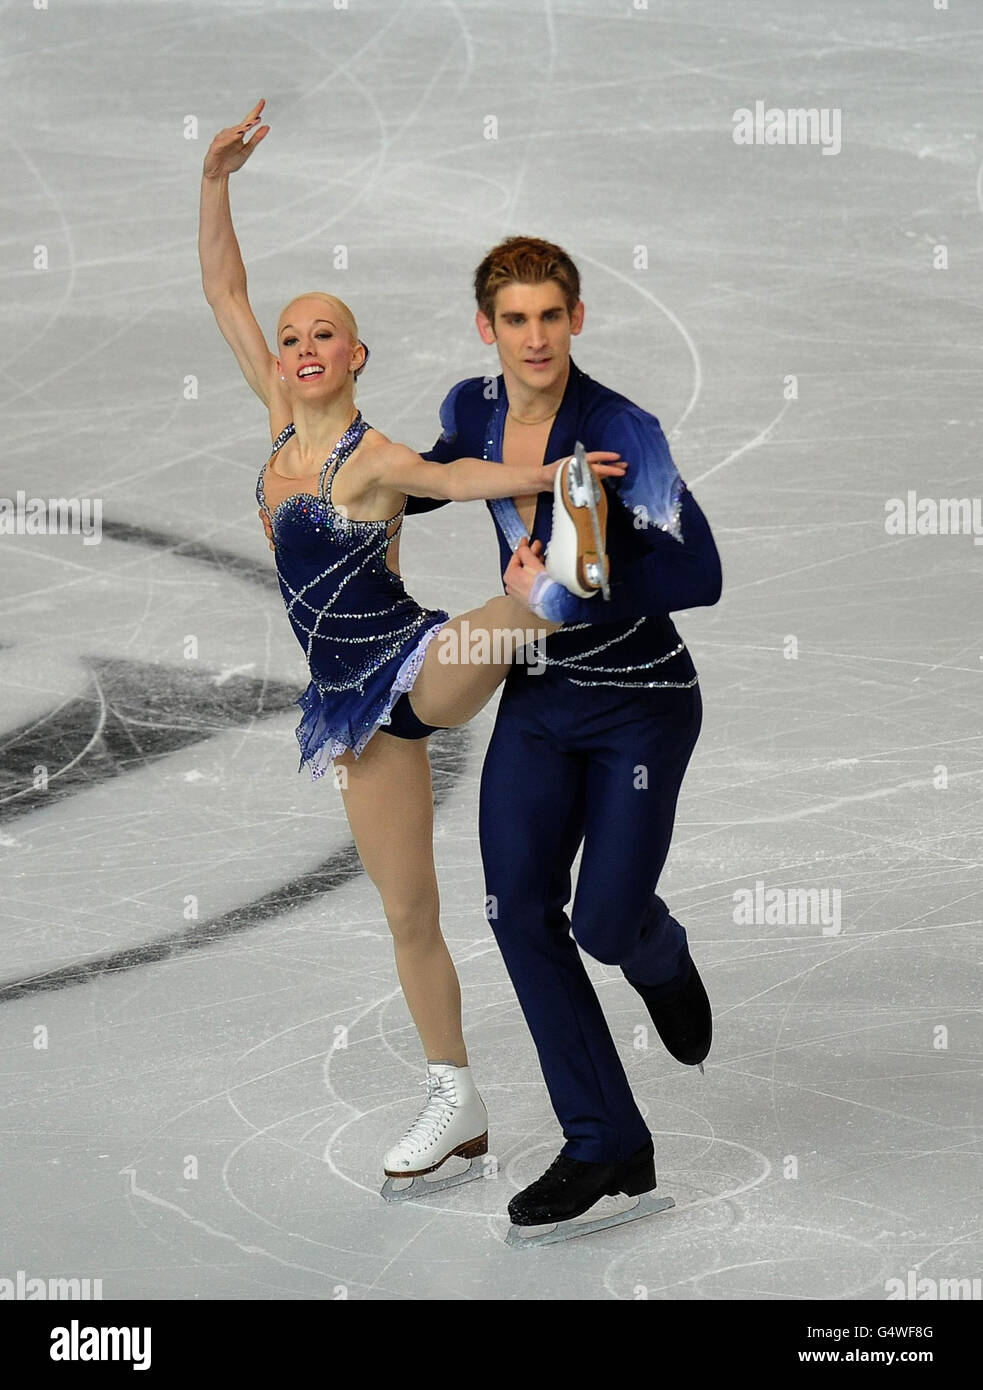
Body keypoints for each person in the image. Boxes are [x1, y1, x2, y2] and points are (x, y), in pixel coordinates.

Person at [197, 106, 625, 1200]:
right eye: (291, 337)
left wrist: (542, 481)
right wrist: (215, 179)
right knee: (407, 914)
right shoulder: (274, 427)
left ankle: (562, 572)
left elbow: (455, 479)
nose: (297, 347)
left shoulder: (368, 453)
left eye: (320, 334)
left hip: (410, 658)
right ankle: (456, 1099)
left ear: (354, 356)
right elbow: (224, 293)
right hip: (345, 710)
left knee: (504, 617)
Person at [407, 235, 723, 1242]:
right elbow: (433, 477)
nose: (534, 336)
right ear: (487, 327)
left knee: (597, 926)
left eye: (551, 315)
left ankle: (653, 946)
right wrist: (335, 458)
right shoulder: (473, 409)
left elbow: (698, 569)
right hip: (539, 699)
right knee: (514, 909)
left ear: (575, 318)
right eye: (514, 319)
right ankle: (603, 1142)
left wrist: (573, 586)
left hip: (639, 701)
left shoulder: (620, 428)